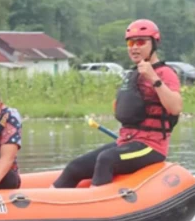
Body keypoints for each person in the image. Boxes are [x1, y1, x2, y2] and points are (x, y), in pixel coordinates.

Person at [52, 19, 182, 188]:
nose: (134, 47)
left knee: (106, 159)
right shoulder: (132, 75)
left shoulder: (165, 73)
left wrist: (154, 78)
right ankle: (48, 207)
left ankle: (97, 206)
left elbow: (175, 107)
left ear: (154, 44)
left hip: (151, 146)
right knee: (74, 167)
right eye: (130, 42)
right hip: (126, 141)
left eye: (141, 42)